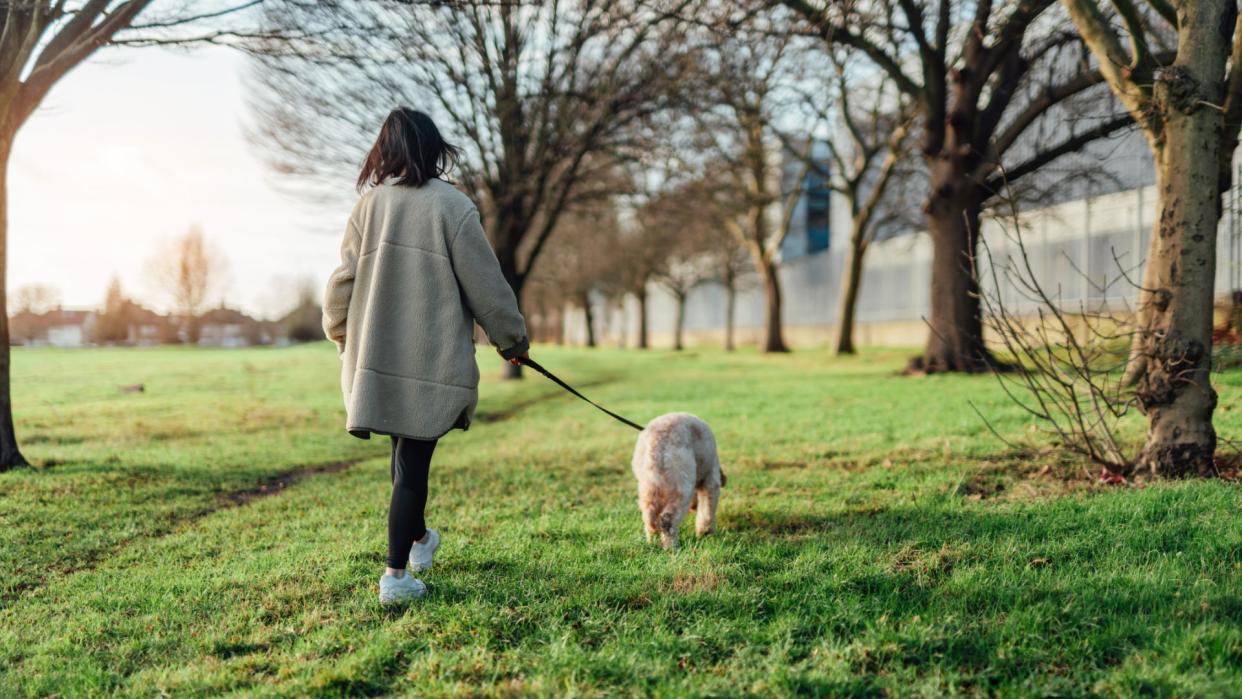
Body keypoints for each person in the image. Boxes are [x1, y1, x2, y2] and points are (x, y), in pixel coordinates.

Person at [322, 108, 528, 605]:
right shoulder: (451, 207)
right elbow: (486, 285)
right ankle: (395, 577)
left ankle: (419, 541)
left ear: (385, 152)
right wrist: (512, 340)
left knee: (403, 462)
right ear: (433, 148)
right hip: (430, 361)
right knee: (412, 467)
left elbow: (340, 284)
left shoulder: (368, 207)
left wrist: (340, 334)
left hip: (376, 358)